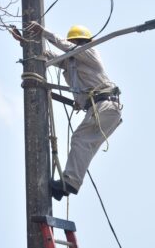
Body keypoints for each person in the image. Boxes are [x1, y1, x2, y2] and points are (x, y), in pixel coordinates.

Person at [12, 22, 122, 200]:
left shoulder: (90, 52)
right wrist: (26, 42)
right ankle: (65, 185)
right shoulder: (71, 62)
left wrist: (44, 32)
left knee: (80, 139)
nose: (76, 45)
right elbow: (45, 55)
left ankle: (70, 182)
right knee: (83, 143)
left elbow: (67, 47)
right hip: (102, 108)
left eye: (78, 42)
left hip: (105, 104)